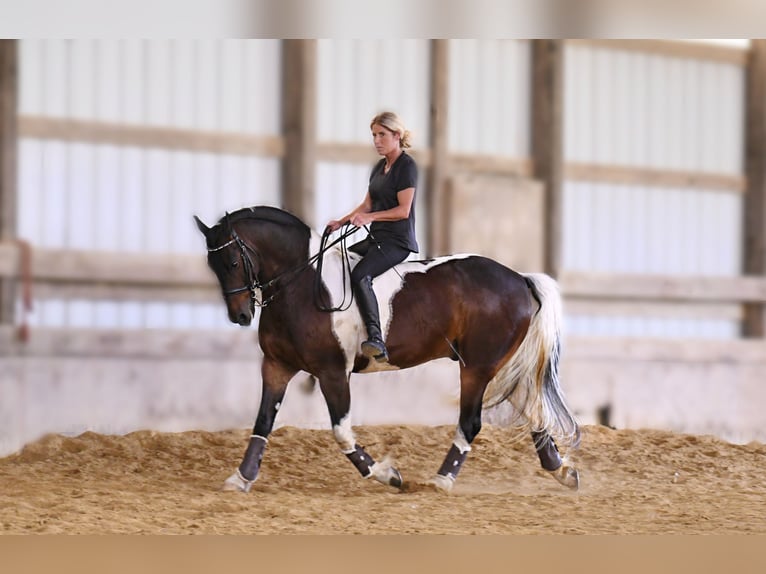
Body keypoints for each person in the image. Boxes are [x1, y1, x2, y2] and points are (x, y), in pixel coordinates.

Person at [326, 111, 419, 363]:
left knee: (361, 275)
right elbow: (367, 204)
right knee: (341, 263)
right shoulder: (380, 167)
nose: (377, 140)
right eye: (374, 135)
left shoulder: (406, 167)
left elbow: (403, 211)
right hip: (376, 237)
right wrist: (340, 222)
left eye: (382, 135)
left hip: (397, 241)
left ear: (396, 136)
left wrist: (370, 219)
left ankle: (376, 338)